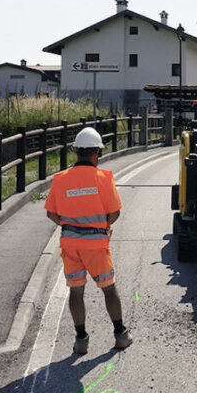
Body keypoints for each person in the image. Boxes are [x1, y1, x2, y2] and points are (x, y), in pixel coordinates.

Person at [45, 127, 132, 354]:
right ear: (97, 154)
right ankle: (120, 334)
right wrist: (102, 225)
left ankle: (81, 339)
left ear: (76, 152)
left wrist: (69, 226)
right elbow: (114, 212)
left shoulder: (60, 179)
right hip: (96, 244)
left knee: (76, 291)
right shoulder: (103, 178)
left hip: (70, 244)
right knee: (108, 289)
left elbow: (51, 213)